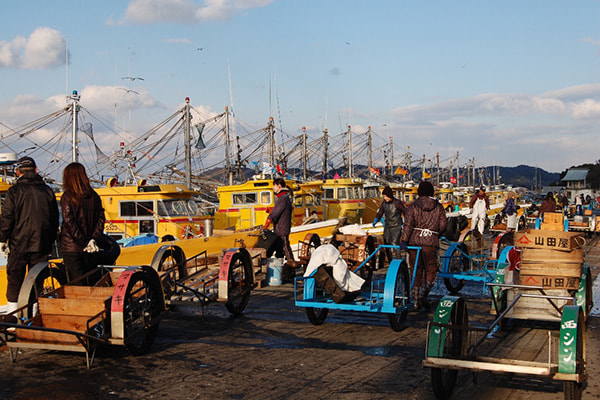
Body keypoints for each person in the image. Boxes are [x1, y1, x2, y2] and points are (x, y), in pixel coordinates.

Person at [0, 157, 59, 316]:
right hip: (41, 245)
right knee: (37, 282)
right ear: (36, 170)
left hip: (19, 244)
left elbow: (7, 218)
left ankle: (13, 320)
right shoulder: (48, 191)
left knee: (14, 281)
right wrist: (50, 240)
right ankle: (32, 317)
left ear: (17, 172)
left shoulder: (14, 192)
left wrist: (1, 239)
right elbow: (54, 220)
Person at [399, 181, 447, 310]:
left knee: (415, 270)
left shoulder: (413, 206)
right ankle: (423, 294)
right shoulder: (439, 207)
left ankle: (415, 299)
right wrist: (436, 234)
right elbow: (443, 225)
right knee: (431, 269)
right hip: (430, 243)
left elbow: (407, 225)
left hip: (415, 242)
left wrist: (404, 240)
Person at [60, 162, 106, 284]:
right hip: (91, 248)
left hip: (72, 247)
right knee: (91, 280)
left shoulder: (67, 197)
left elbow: (69, 221)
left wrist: (83, 241)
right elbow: (101, 219)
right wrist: (93, 239)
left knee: (77, 283)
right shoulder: (94, 196)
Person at [263, 178, 298, 271]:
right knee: (278, 250)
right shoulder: (285, 197)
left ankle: (291, 267)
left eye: (274, 185)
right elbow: (280, 210)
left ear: (279, 185)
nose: (273, 188)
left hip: (281, 229)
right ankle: (283, 271)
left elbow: (275, 213)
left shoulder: (283, 198)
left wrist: (267, 223)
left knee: (285, 247)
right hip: (281, 228)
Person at [373, 186, 406, 262]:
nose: (384, 198)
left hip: (396, 226)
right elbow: (380, 212)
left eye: (385, 196)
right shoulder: (384, 203)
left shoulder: (397, 203)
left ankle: (398, 259)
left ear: (389, 196)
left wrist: (405, 222)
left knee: (395, 243)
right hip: (388, 225)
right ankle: (390, 259)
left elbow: (405, 212)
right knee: (386, 243)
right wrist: (376, 219)